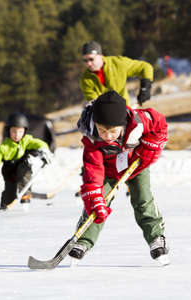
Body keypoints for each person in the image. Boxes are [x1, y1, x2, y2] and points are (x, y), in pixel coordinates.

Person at [70, 90, 169, 264]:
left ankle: (156, 238)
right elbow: (93, 170)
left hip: (135, 164)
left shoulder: (139, 121)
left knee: (143, 200)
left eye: (113, 132)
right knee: (97, 202)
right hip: (107, 171)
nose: (108, 137)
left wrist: (151, 146)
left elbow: (159, 124)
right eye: (102, 131)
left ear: (123, 124)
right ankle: (83, 241)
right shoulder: (92, 138)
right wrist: (95, 194)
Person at [0, 113, 53, 208]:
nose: (17, 135)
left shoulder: (26, 140)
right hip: (9, 171)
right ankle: (6, 202)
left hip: (23, 168)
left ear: (24, 131)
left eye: (20, 131)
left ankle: (25, 193)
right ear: (8, 131)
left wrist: (44, 150)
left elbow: (39, 143)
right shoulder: (4, 147)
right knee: (9, 194)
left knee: (25, 168)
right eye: (14, 131)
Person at [80, 40, 154, 107]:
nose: (88, 63)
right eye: (85, 60)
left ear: (100, 56)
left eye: (91, 59)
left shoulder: (118, 63)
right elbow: (95, 102)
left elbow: (145, 67)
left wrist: (145, 87)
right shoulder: (85, 80)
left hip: (125, 110)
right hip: (105, 115)